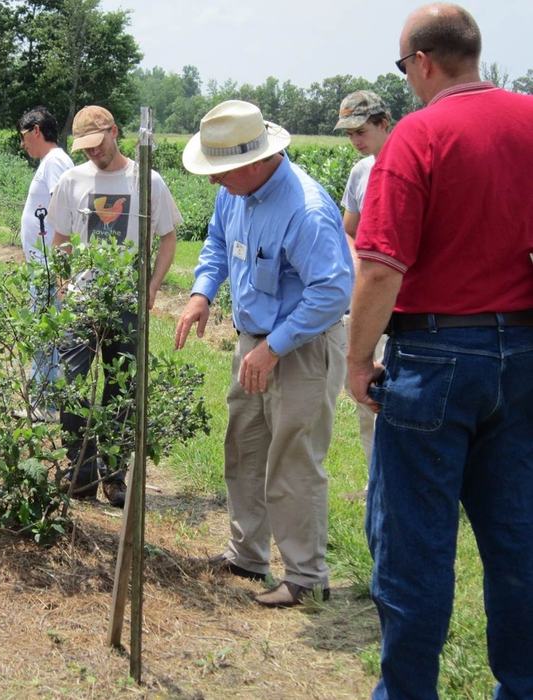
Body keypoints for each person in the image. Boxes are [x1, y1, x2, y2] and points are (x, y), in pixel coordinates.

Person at [347, 4, 533, 697]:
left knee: (414, 552)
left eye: (403, 68)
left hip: (433, 353)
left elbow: (380, 266)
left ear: (421, 63)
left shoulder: (418, 135)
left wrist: (357, 360)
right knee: (517, 543)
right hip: (520, 351)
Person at [175, 100, 352, 608]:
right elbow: (215, 244)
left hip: (300, 349)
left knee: (293, 460)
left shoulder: (306, 211)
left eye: (220, 172)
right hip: (253, 344)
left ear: (254, 162)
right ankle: (247, 555)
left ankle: (305, 577)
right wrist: (202, 293)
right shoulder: (236, 195)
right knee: (245, 449)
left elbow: (331, 293)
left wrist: (273, 349)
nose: (213, 183)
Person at [48, 105, 181, 508]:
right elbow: (61, 239)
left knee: (121, 388)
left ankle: (114, 474)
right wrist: (63, 285)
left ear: (115, 133)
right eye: (85, 147)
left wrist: (152, 287)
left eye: (98, 143)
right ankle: (82, 470)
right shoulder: (72, 180)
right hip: (83, 301)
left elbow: (168, 238)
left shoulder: (146, 180)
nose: (93, 152)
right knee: (69, 384)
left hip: (125, 303)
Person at [333, 90, 392, 472]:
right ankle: (377, 480)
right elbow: (348, 229)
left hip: (399, 294)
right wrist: (355, 257)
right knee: (367, 395)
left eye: (361, 130)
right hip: (367, 293)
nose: (355, 139)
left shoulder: (414, 161)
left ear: (384, 123)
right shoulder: (361, 173)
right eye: (349, 133)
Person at [16, 106, 73, 419]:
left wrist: (60, 266)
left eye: (24, 137)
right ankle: (45, 400)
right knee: (44, 333)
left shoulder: (55, 162)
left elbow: (64, 210)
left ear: (36, 130)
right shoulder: (52, 162)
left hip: (49, 266)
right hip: (43, 264)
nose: (23, 144)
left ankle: (47, 404)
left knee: (44, 333)